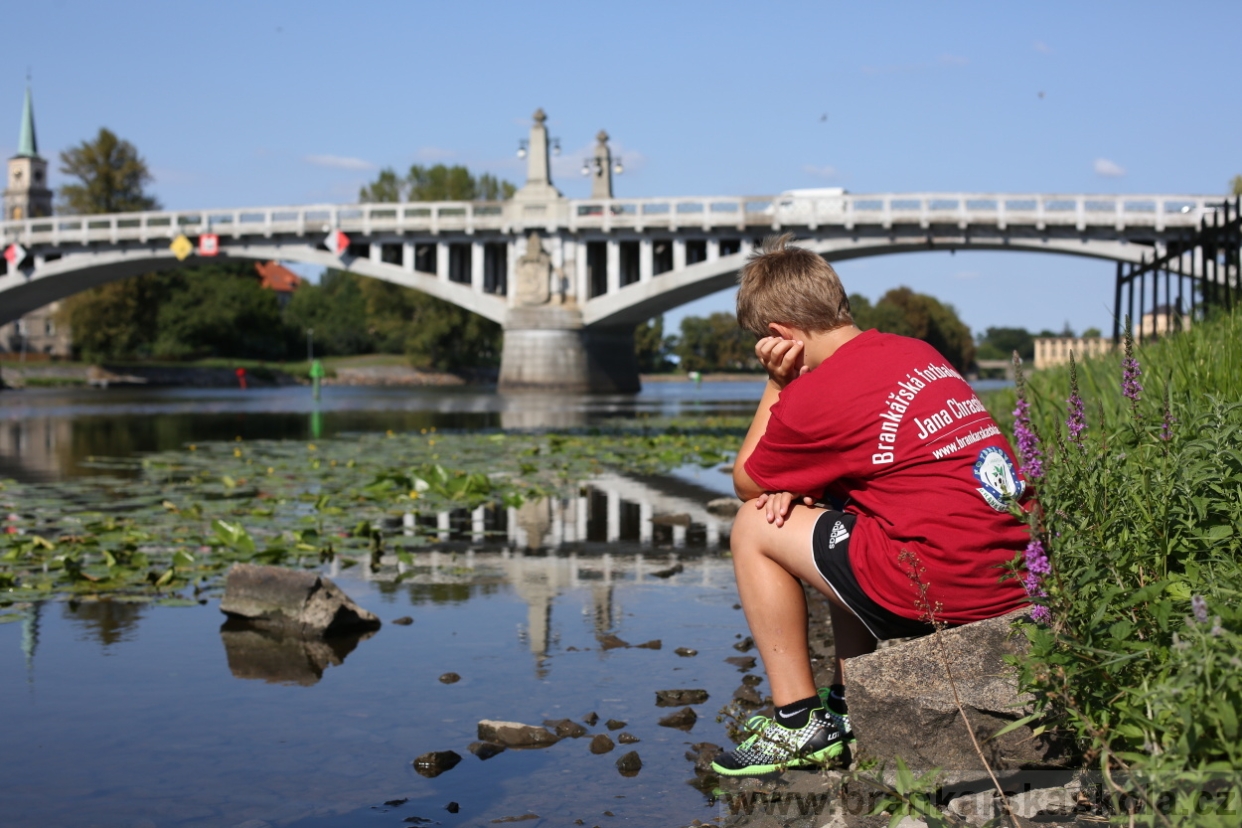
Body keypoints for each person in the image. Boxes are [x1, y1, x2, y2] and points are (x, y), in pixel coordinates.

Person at [711, 235, 1032, 777]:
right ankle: (845, 701)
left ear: (778, 336)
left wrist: (778, 382)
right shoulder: (918, 352)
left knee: (752, 526)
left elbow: (746, 480)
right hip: (1015, 573)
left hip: (949, 585)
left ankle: (797, 724)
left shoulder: (822, 390)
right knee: (839, 500)